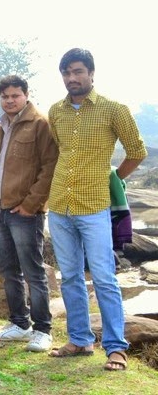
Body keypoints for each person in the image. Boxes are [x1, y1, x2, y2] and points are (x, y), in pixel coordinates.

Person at [45, 49, 146, 371]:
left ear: (91, 73)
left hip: (95, 207)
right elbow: (57, 152)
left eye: (77, 72)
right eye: (66, 73)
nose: (72, 78)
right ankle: (79, 339)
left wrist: (113, 177)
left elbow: (137, 151)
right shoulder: (56, 112)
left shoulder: (114, 110)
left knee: (103, 277)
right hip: (60, 205)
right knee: (70, 276)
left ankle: (116, 347)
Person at [0, 75, 58, 352]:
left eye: (15, 95)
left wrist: (31, 204)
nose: (10, 100)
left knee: (33, 271)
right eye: (5, 96)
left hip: (25, 212)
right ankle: (19, 324)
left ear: (26, 94)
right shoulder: (0, 126)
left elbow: (50, 168)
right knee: (9, 271)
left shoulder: (40, 124)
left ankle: (42, 329)